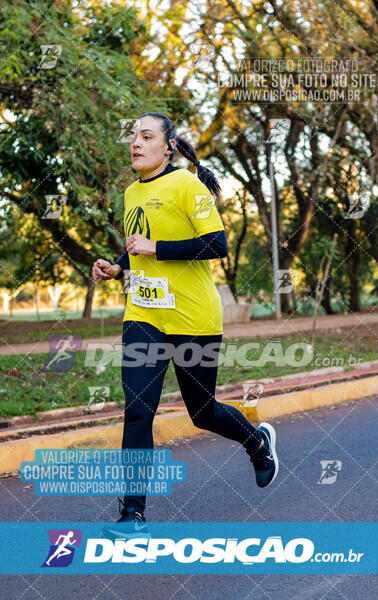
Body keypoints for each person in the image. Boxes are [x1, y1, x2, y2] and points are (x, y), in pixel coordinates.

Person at [92, 113, 279, 538]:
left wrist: (155, 248)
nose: (136, 143)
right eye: (133, 136)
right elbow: (138, 251)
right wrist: (116, 266)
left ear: (168, 147)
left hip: (194, 317)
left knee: (202, 412)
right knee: (138, 410)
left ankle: (256, 441)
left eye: (147, 136)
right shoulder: (129, 193)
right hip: (144, 316)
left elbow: (217, 244)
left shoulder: (188, 185)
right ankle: (133, 514)